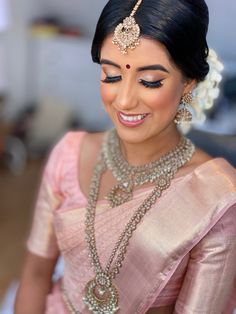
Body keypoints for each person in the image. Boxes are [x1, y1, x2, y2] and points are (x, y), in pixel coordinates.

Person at [14, 0, 236, 313]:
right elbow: (36, 274)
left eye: (150, 81)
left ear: (188, 84)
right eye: (111, 75)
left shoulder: (214, 197)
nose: (125, 100)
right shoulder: (69, 154)